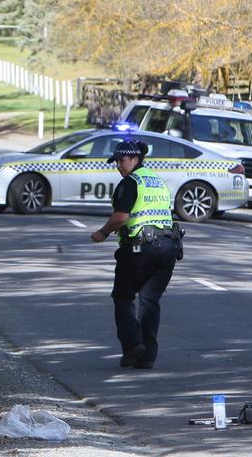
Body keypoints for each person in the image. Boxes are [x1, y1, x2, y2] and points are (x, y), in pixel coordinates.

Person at [91, 139, 181, 369]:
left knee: (123, 296)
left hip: (141, 249)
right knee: (150, 300)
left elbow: (121, 217)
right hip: (168, 248)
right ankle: (148, 356)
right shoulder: (156, 180)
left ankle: (132, 346)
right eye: (116, 161)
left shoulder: (130, 183)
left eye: (122, 160)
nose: (118, 166)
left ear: (135, 159)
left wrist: (102, 233)